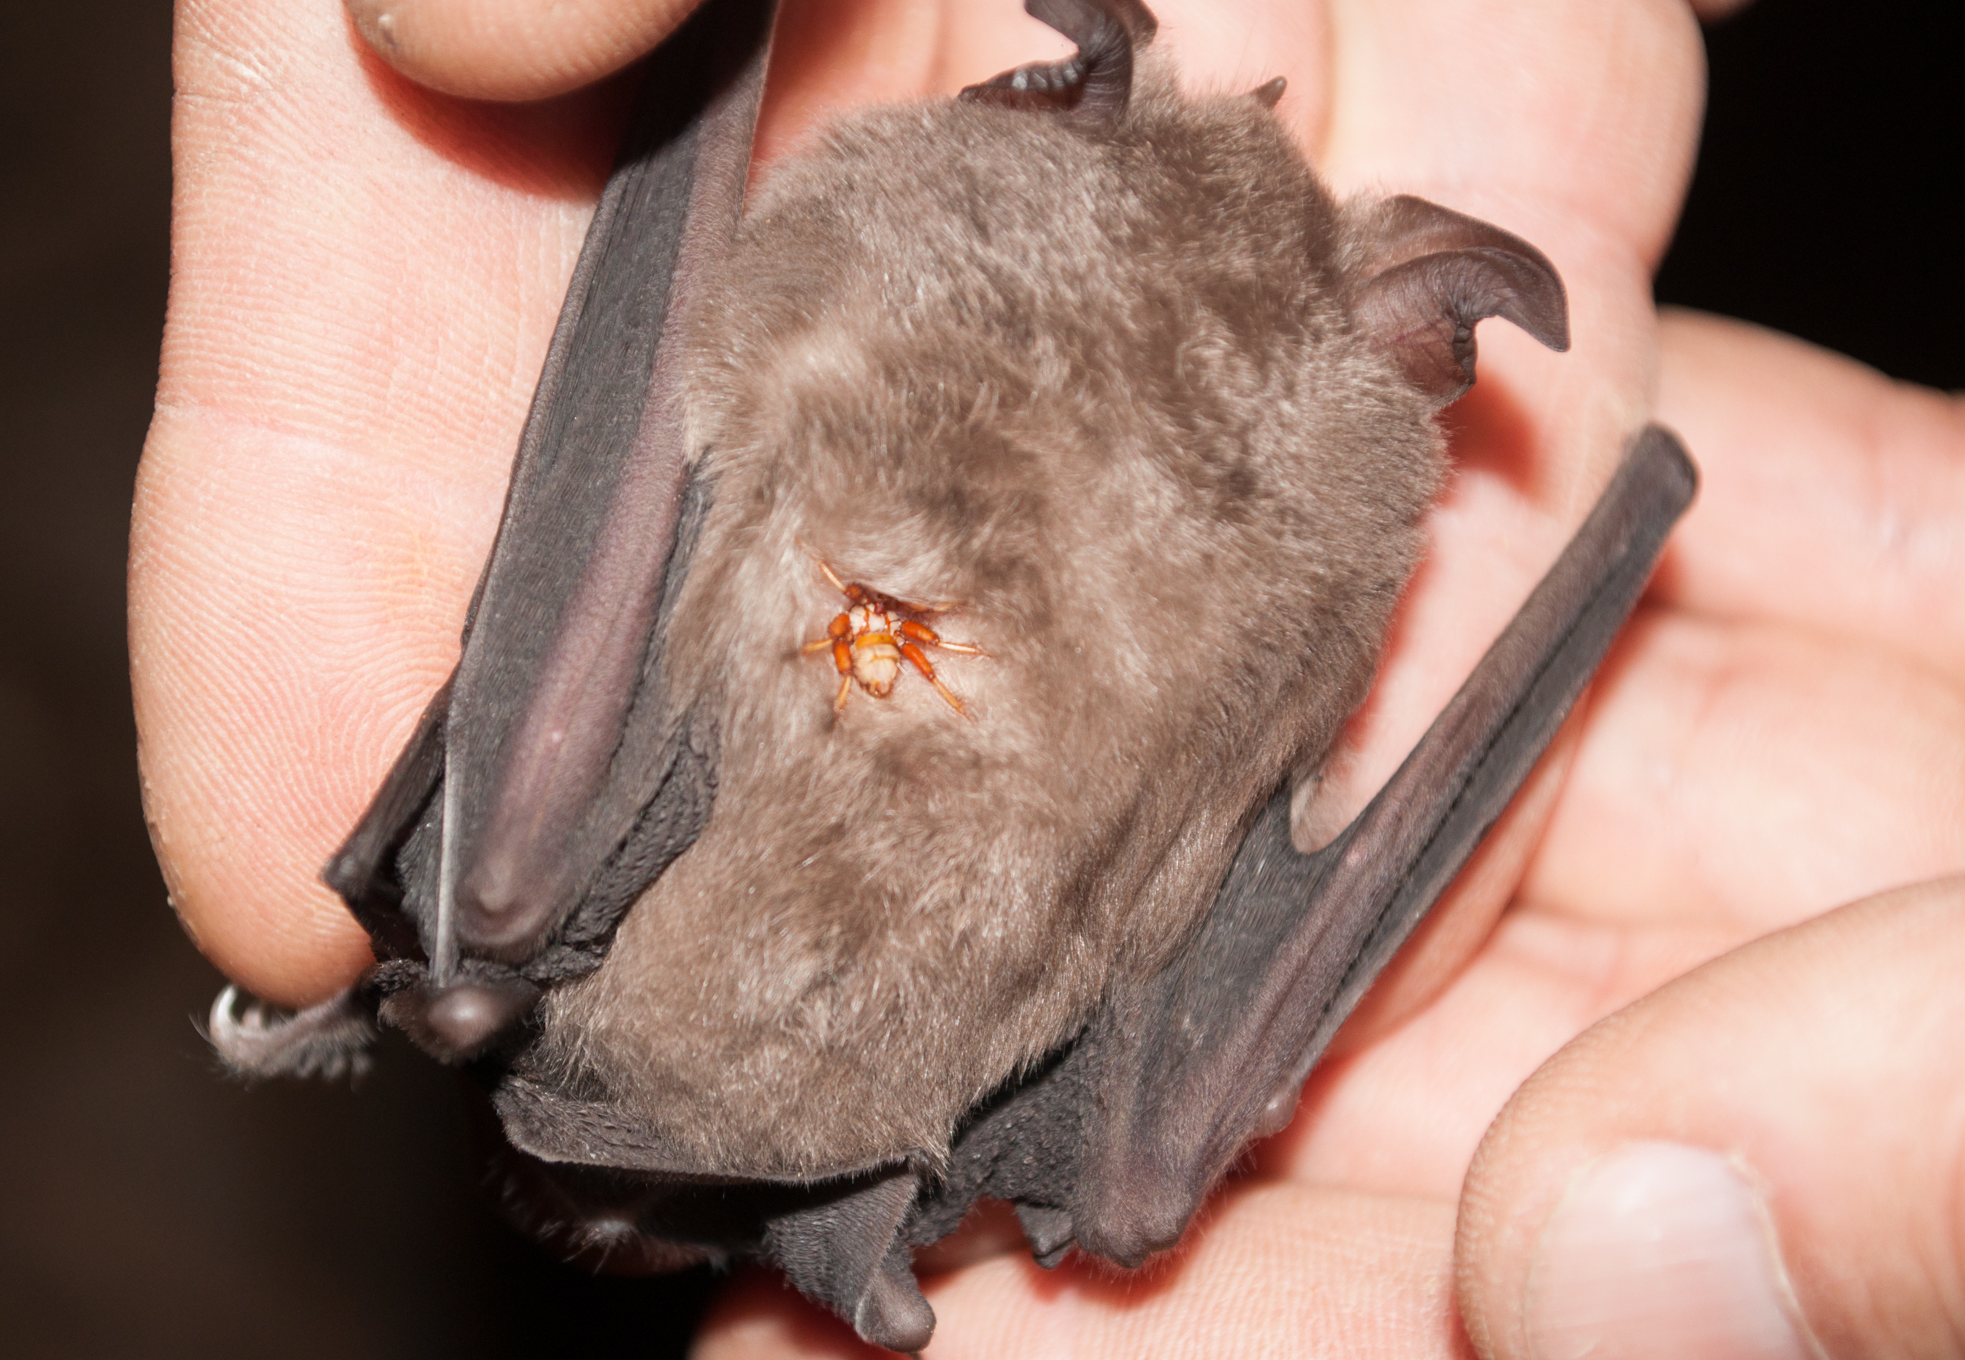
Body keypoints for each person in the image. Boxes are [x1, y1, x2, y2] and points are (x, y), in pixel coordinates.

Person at [130, 1, 1965, 1354]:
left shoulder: (968, 307)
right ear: (1414, 350)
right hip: (776, 999)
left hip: (750, 874)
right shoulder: (1284, 548)